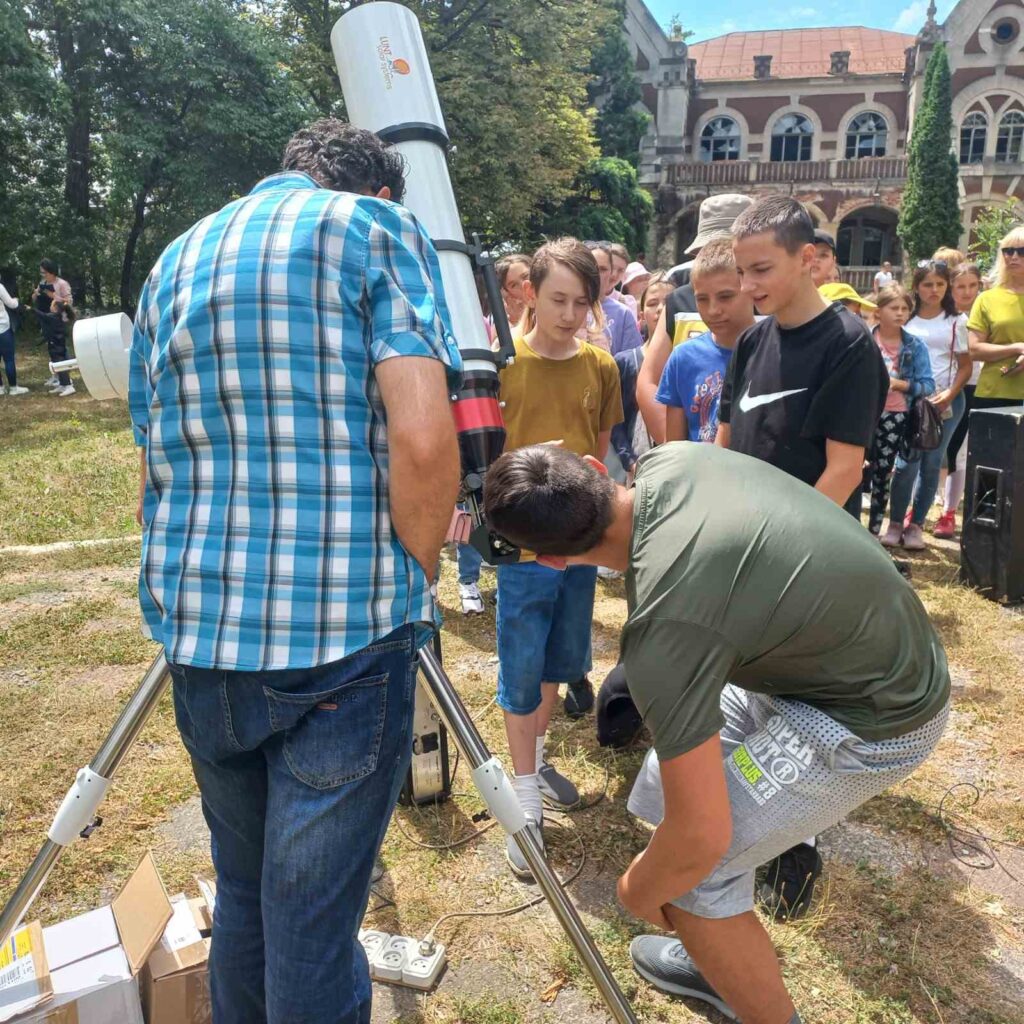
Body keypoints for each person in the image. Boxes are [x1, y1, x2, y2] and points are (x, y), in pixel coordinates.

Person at [128, 119, 462, 1024]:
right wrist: (417, 576)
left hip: (202, 635)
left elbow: (150, 461)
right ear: (378, 191)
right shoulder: (374, 228)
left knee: (243, 892)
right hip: (341, 639)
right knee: (310, 924)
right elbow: (423, 438)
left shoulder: (175, 258)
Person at [482, 443, 950, 1024]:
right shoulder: (673, 460)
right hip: (833, 654)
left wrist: (636, 892)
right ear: (597, 468)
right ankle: (716, 959)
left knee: (690, 879)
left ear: (553, 561)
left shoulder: (662, 635)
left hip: (874, 712)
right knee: (664, 788)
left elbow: (700, 838)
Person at [718, 195, 888, 916]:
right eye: (742, 270)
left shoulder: (849, 345)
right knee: (750, 689)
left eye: (761, 269)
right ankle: (745, 818)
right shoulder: (753, 342)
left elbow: (843, 470)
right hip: (743, 547)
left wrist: (780, 556)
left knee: (800, 701)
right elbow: (727, 440)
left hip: (802, 559)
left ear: (808, 260)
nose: (748, 285)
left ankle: (799, 842)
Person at [494, 238, 623, 878]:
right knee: (521, 665)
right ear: (530, 294)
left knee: (558, 659)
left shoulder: (600, 366)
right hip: (521, 547)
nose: (570, 315)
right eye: (558, 300)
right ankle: (522, 802)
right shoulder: (501, 367)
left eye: (582, 302)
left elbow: (600, 454)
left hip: (580, 545)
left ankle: (536, 759)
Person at [638, 193, 754, 443]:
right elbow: (649, 381)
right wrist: (678, 449)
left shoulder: (770, 299)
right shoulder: (678, 301)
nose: (713, 309)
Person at [883, 261, 971, 550]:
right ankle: (895, 523)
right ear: (917, 287)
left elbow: (965, 366)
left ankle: (917, 525)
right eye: (928, 284)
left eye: (940, 284)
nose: (934, 290)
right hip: (909, 399)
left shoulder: (956, 321)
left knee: (932, 463)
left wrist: (949, 395)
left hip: (945, 403)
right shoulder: (905, 318)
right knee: (906, 463)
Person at [657, 239, 755, 443]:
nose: (713, 310)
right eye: (702, 299)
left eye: (725, 297)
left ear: (750, 289)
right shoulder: (683, 358)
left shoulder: (773, 351)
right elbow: (675, 446)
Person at [866, 285, 934, 537]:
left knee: (883, 473)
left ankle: (873, 531)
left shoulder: (915, 346)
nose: (900, 313)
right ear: (878, 311)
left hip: (896, 415)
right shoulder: (864, 340)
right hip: (863, 414)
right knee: (854, 469)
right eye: (893, 308)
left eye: (905, 308)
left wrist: (899, 384)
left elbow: (928, 385)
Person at [611, 271, 672, 481]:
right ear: (641, 314)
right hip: (638, 467)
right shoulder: (626, 361)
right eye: (653, 303)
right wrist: (629, 460)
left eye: (668, 302)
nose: (661, 308)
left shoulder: (689, 359)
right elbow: (615, 419)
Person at [938, 262, 984, 537]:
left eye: (972, 286)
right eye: (960, 286)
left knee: (959, 450)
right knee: (935, 449)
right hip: (945, 387)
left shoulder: (983, 312)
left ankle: (949, 511)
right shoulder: (943, 316)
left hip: (974, 385)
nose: (967, 292)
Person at [966, 226, 1024, 413]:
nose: (1013, 256)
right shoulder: (987, 298)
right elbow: (974, 349)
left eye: (1021, 251)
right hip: (995, 393)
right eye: (1008, 251)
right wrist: (1017, 348)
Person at [584, 241, 643, 355]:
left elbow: (631, 360)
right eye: (591, 267)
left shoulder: (623, 313)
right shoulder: (567, 307)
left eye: (602, 269)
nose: (596, 274)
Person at [33, 259, 75, 396]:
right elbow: (34, 299)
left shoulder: (62, 284)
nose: (43, 275)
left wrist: (54, 296)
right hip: (47, 319)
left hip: (59, 321)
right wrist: (36, 294)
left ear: (52, 272)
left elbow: (68, 302)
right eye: (41, 273)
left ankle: (66, 379)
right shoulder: (43, 283)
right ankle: (57, 376)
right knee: (52, 349)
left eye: (44, 273)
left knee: (60, 350)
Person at [0, 281, 27, 396]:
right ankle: (13, 388)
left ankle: (0, 388)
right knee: (9, 359)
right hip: (3, 328)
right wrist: (16, 300)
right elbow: (12, 304)